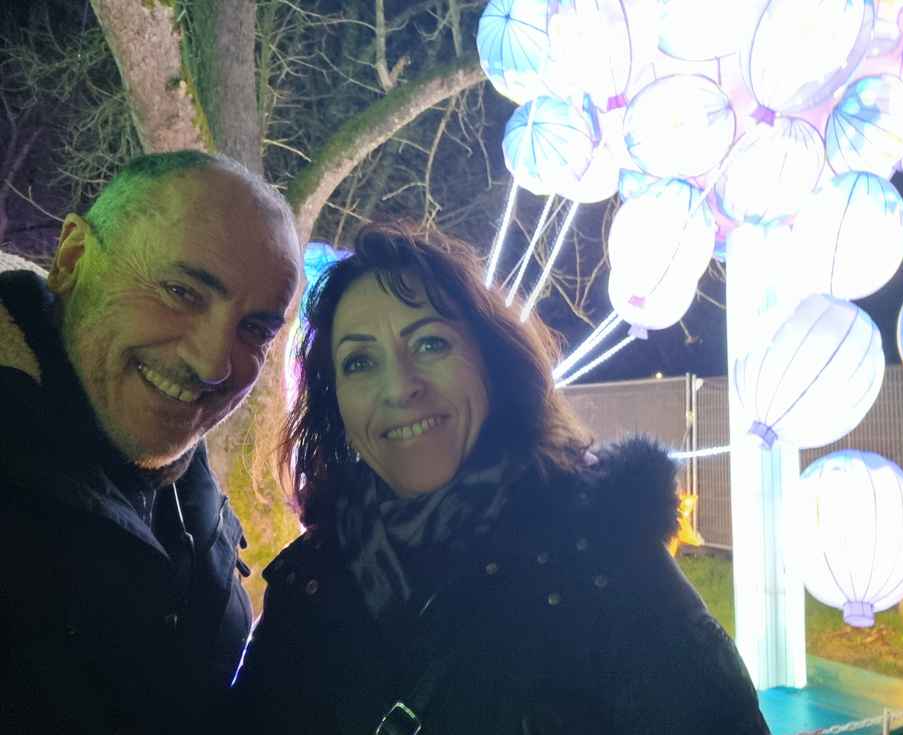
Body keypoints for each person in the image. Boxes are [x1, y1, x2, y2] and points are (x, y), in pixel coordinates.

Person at [232, 226, 771, 734]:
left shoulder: (603, 562)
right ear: (336, 404)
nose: (399, 387)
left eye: (430, 344)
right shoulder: (309, 583)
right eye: (359, 362)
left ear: (490, 363)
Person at [0, 151, 302, 734]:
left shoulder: (191, 491)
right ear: (72, 259)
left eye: (255, 329)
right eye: (181, 292)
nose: (214, 364)